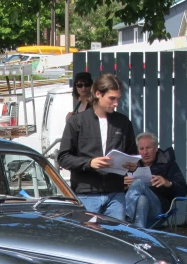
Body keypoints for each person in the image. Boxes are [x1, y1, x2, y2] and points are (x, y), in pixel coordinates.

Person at [58, 74, 137, 220]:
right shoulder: (77, 121)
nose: (116, 103)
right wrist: (89, 163)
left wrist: (133, 165)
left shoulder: (123, 122)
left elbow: (133, 154)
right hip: (86, 193)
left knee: (117, 236)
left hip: (116, 193)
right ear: (98, 94)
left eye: (118, 98)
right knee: (89, 240)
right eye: (112, 98)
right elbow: (63, 157)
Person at [123, 132, 187, 228]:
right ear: (138, 150)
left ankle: (123, 217)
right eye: (142, 149)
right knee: (142, 200)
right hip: (138, 208)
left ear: (156, 148)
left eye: (148, 148)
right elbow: (117, 191)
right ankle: (139, 236)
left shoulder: (167, 164)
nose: (145, 152)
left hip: (158, 208)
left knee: (138, 183)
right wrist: (124, 186)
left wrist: (168, 183)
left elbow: (183, 191)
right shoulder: (132, 165)